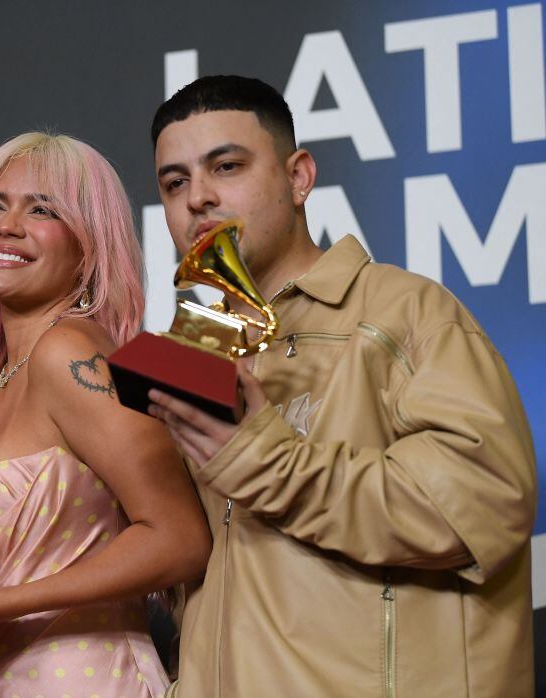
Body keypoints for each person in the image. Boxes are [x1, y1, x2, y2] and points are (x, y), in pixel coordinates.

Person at [146, 75, 537, 696]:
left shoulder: (405, 310)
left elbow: (479, 504)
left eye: (226, 166)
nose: (198, 198)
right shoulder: (192, 347)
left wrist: (261, 459)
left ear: (299, 177)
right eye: (175, 183)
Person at [0, 132, 210, 697]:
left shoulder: (70, 351)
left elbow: (180, 537)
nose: (7, 225)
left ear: (89, 244)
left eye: (43, 209)